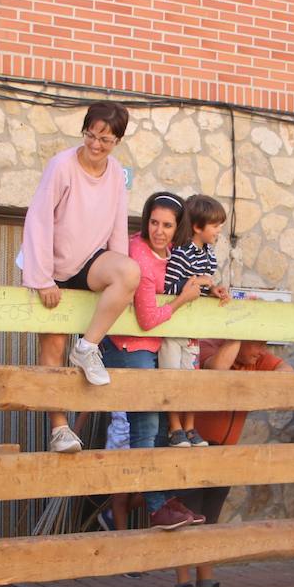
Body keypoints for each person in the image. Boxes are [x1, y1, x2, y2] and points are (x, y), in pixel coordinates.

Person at [21, 101, 140, 453]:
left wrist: (118, 271)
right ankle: (60, 428)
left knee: (128, 271)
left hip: (90, 261)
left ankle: (87, 347)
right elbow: (39, 220)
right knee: (53, 347)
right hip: (53, 265)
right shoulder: (61, 166)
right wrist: (42, 279)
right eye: (91, 135)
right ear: (85, 131)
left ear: (117, 141)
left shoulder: (116, 174)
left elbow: (119, 225)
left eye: (105, 139)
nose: (96, 144)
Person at [102, 191, 210, 529]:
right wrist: (183, 301)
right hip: (130, 344)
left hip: (158, 346)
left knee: (163, 425)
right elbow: (147, 318)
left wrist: (209, 288)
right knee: (147, 423)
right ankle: (154, 505)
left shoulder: (176, 254)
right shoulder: (139, 255)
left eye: (166, 225)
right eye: (153, 222)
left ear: (177, 228)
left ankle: (161, 499)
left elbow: (193, 279)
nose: (158, 231)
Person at [165, 336, 290, 587]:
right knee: (187, 519)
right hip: (193, 450)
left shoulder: (255, 360)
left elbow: (287, 373)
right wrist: (236, 337)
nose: (262, 352)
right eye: (256, 344)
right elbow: (219, 367)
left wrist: (262, 381)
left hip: (225, 454)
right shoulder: (210, 346)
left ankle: (205, 586)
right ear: (238, 340)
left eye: (264, 345)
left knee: (211, 520)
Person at [161, 194, 230, 447]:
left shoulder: (209, 256)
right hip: (172, 328)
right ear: (197, 227)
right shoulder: (180, 253)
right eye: (215, 225)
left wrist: (212, 290)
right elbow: (168, 288)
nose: (219, 230)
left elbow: (203, 286)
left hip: (192, 330)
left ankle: (190, 426)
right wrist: (200, 282)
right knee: (171, 375)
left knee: (192, 376)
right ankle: (174, 427)